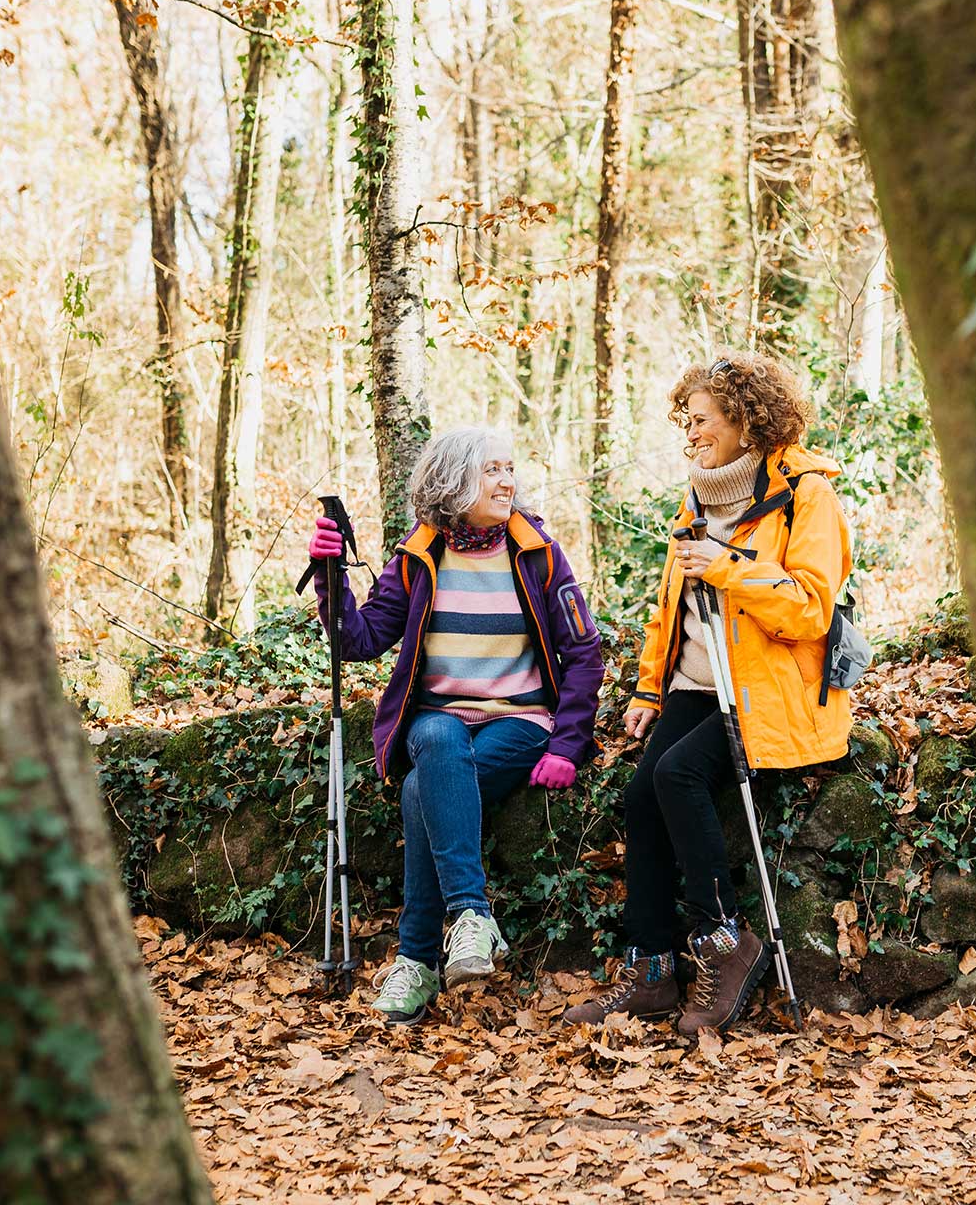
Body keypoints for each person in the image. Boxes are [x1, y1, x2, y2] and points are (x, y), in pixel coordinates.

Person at [565, 354, 853, 1034]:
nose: (690, 434)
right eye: (685, 422)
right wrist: (647, 689)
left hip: (773, 692)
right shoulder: (696, 498)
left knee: (678, 773)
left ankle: (728, 945)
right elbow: (671, 606)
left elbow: (811, 608)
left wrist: (729, 568)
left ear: (744, 421)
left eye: (701, 420)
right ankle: (652, 971)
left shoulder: (808, 496)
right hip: (698, 683)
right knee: (641, 795)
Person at [309, 427, 603, 1025]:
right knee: (438, 740)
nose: (506, 481)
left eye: (509, 468)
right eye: (490, 470)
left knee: (423, 789)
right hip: (436, 719)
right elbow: (357, 640)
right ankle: (471, 918)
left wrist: (569, 742)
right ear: (452, 482)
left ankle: (416, 960)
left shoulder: (539, 555)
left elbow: (584, 653)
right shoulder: (419, 558)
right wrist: (330, 574)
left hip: (521, 721)